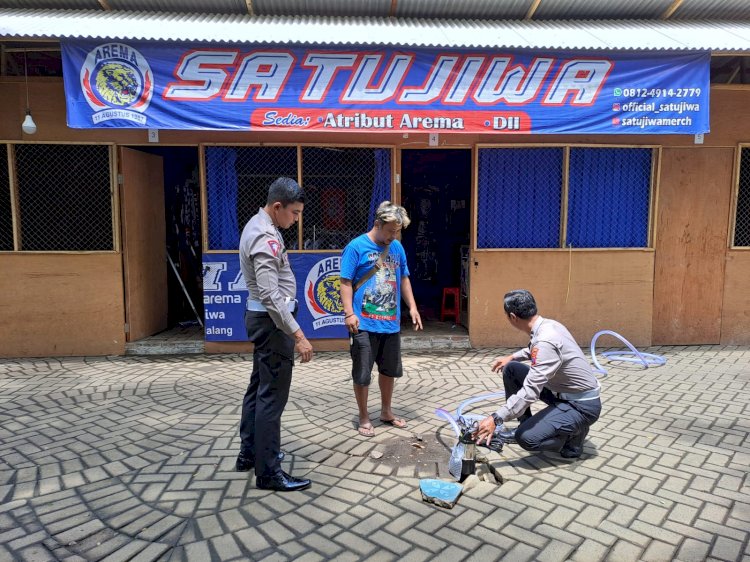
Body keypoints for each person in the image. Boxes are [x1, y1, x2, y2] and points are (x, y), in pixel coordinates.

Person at [234, 177, 314, 492]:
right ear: (277, 206)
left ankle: (251, 453)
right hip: (272, 324)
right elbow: (270, 295)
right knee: (272, 398)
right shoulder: (264, 235)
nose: (295, 220)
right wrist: (298, 335)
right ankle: (268, 472)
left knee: (259, 388)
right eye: (293, 214)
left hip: (264, 321)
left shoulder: (259, 226)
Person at [474, 289, 601, 459]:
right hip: (561, 393)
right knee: (512, 369)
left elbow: (530, 391)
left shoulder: (546, 339)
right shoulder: (548, 325)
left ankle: (573, 435)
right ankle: (527, 423)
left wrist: (496, 418)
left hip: (580, 406)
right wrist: (511, 357)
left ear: (513, 317)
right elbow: (534, 349)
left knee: (526, 438)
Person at [340, 201, 423, 438]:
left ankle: (386, 412)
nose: (393, 236)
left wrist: (413, 308)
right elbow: (345, 282)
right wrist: (349, 313)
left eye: (397, 231)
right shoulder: (356, 247)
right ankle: (364, 417)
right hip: (363, 323)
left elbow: (404, 278)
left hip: (390, 322)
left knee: (389, 371)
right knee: (363, 372)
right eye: (390, 231)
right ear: (377, 224)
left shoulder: (396, 248)